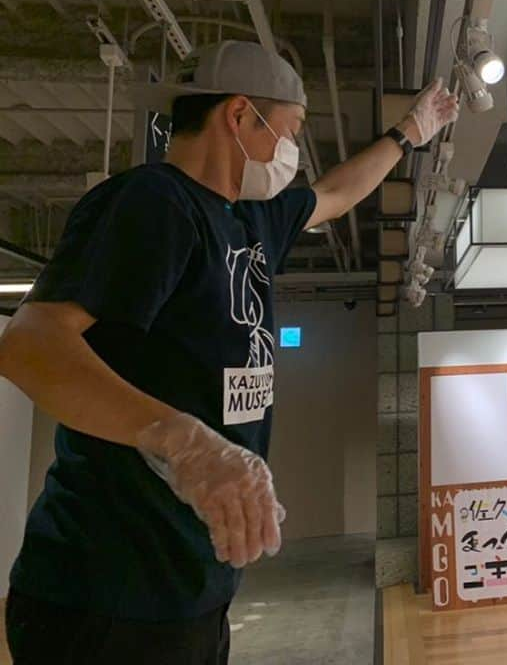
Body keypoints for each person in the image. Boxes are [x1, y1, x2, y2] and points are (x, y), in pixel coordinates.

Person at [0, 41, 458, 665]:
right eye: (290, 130)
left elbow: (336, 193)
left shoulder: (249, 219)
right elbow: (29, 345)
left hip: (191, 584)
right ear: (239, 116)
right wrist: (183, 440)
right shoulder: (153, 204)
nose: (290, 153)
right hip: (107, 589)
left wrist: (412, 131)